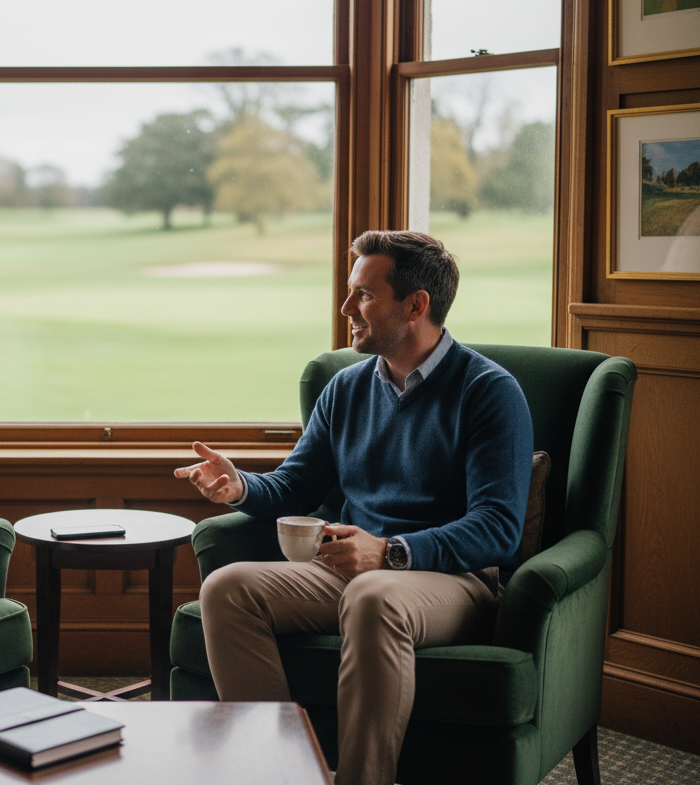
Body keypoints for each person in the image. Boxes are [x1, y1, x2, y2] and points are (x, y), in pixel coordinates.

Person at [174, 230, 533, 785]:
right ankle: (277, 773)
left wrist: (389, 552)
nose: (346, 309)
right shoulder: (345, 388)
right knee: (227, 588)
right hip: (353, 569)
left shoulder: (489, 391)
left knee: (372, 595)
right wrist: (239, 486)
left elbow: (498, 529)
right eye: (350, 293)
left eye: (363, 295)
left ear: (416, 305)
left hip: (453, 579)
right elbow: (297, 484)